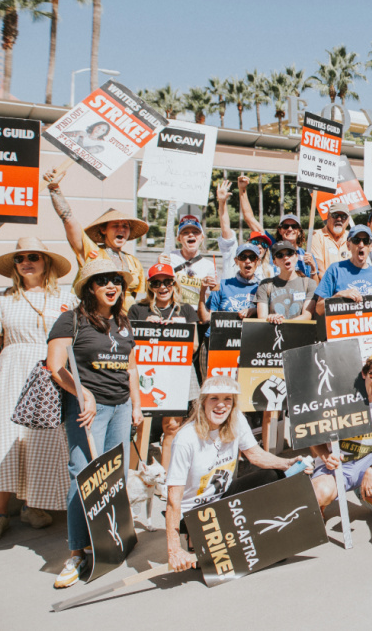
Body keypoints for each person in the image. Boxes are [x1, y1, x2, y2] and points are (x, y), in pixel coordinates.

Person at [46, 260, 143, 588]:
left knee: (115, 477)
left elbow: (130, 367)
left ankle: (113, 538)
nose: (111, 285)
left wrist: (136, 406)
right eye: (102, 281)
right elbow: (55, 365)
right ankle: (76, 552)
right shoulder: (71, 319)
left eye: (116, 280)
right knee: (83, 475)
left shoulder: (123, 321)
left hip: (120, 407)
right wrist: (82, 392)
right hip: (89, 410)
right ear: (89, 287)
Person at [0, 239, 75, 543]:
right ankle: (0, 514)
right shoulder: (2, 300)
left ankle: (32, 505)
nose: (26, 262)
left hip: (50, 372)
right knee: (6, 439)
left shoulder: (67, 298)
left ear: (46, 262)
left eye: (33, 256)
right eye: (19, 258)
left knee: (42, 440)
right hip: (13, 371)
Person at [164, 376, 307, 573]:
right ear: (202, 402)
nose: (221, 405)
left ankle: (255, 534)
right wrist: (174, 550)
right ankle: (194, 537)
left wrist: (288, 463)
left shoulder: (236, 419)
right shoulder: (186, 439)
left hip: (222, 497)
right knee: (213, 566)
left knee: (273, 475)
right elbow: (173, 498)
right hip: (195, 512)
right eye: (214, 398)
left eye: (227, 399)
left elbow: (255, 455)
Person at [308, 353, 372, 518]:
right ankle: (321, 502)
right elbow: (313, 439)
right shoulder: (340, 399)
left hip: (366, 462)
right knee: (320, 494)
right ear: (364, 374)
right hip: (334, 467)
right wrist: (326, 456)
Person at [130, 263, 202, 471]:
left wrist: (178, 329)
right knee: (143, 425)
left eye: (167, 282)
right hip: (148, 374)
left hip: (177, 372)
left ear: (174, 284)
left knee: (172, 426)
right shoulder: (138, 309)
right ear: (149, 286)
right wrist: (145, 325)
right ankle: (138, 473)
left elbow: (195, 345)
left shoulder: (186, 310)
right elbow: (129, 346)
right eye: (156, 283)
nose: (162, 287)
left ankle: (166, 475)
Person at [45, 167, 146, 306]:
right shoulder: (91, 252)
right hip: (95, 319)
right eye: (115, 225)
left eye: (125, 226)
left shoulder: (133, 261)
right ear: (103, 229)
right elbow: (68, 219)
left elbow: (137, 297)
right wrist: (54, 189)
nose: (121, 229)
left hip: (126, 320)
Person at [315, 225, 372, 316]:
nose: (361, 245)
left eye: (366, 241)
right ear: (348, 245)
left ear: (371, 246)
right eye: (356, 240)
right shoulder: (335, 269)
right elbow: (319, 309)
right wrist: (338, 296)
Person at [158, 216, 216, 308]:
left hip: (196, 313)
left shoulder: (209, 266)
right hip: (172, 310)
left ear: (202, 237)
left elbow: (210, 297)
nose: (191, 235)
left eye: (195, 232)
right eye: (185, 232)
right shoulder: (168, 258)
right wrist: (159, 267)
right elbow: (153, 287)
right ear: (179, 239)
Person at [255, 241, 318, 322]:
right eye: (280, 255)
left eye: (289, 253)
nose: (285, 257)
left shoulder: (309, 284)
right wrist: (270, 318)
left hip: (300, 332)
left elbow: (307, 315)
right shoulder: (265, 285)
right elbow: (262, 318)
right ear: (274, 262)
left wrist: (284, 324)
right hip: (274, 332)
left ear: (296, 256)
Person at [199, 243, 260, 324]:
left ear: (258, 262)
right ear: (236, 261)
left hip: (249, 335)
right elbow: (205, 319)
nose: (248, 261)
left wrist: (255, 310)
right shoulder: (223, 285)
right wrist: (202, 291)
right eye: (243, 257)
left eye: (252, 257)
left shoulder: (262, 287)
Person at [310, 202, 353, 274]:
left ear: (348, 220)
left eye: (343, 216)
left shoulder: (352, 237)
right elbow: (319, 269)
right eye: (335, 215)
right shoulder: (317, 236)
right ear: (328, 217)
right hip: (327, 283)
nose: (339, 219)